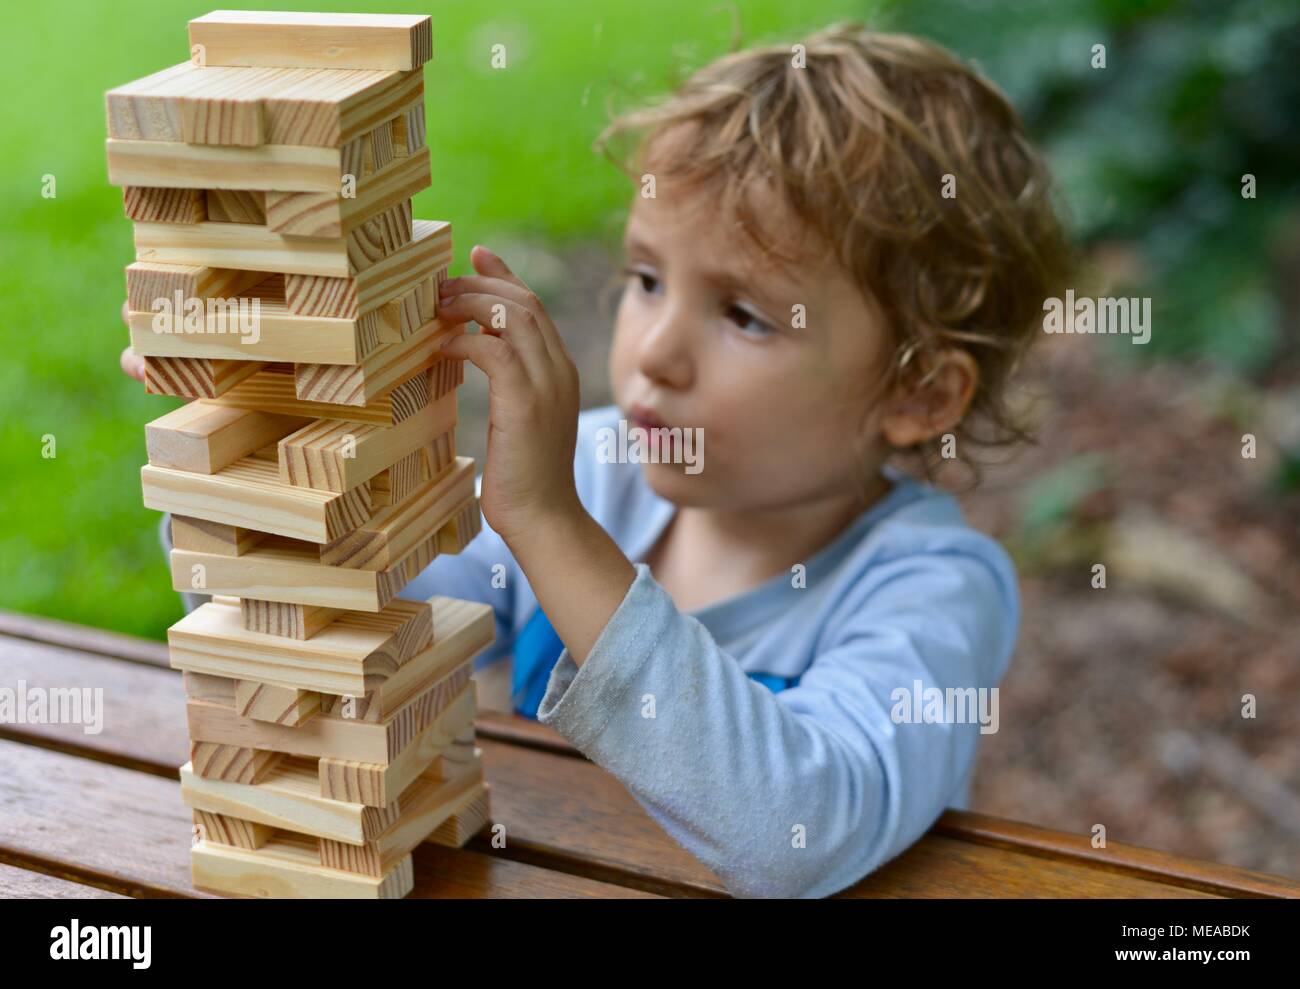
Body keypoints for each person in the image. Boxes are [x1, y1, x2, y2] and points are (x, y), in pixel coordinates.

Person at [125, 22, 1070, 897]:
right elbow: (353, 621)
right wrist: (259, 420)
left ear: (919, 396)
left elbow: (794, 829)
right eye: (647, 278)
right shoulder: (599, 469)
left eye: (742, 313)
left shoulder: (934, 592)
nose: (655, 349)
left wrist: (548, 522)